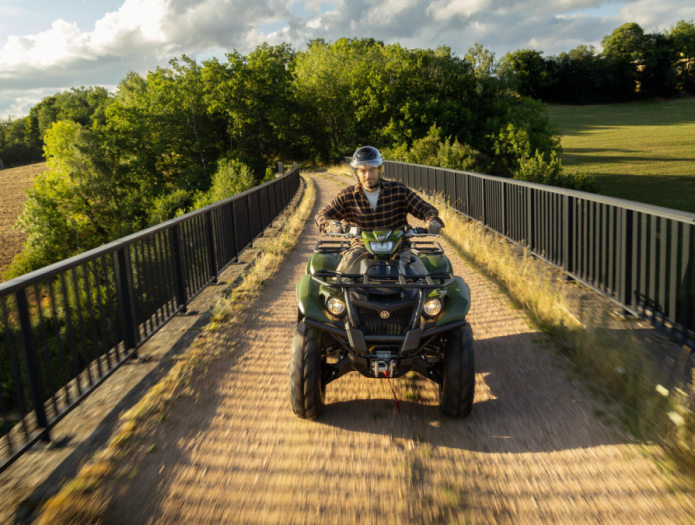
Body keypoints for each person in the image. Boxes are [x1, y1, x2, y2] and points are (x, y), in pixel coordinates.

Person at [315, 146, 444, 274]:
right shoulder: (347, 195)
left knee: (422, 279)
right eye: (362, 170)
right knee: (341, 280)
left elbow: (425, 208)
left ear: (380, 169)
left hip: (399, 250)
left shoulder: (398, 190)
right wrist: (331, 224)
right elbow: (322, 215)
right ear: (356, 172)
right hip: (361, 249)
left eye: (372, 169)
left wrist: (432, 220)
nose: (368, 175)